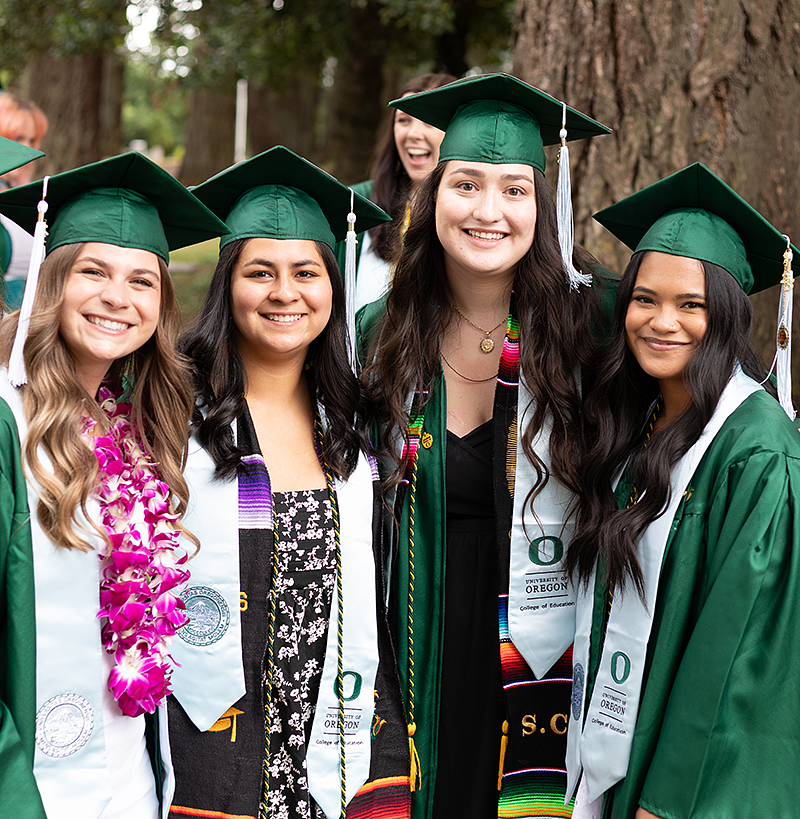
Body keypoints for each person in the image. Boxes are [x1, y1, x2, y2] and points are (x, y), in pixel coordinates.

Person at [357, 74, 613, 819]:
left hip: (548, 643)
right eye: (466, 184)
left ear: (543, 206)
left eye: (514, 190)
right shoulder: (383, 331)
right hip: (418, 639)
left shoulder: (593, 324)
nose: (488, 211)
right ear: (432, 197)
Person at [167, 145, 411, 819]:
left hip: (334, 731)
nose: (284, 292)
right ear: (227, 284)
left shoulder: (356, 421)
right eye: (260, 272)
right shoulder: (171, 411)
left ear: (333, 286)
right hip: (208, 736)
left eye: (306, 271)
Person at [565, 163, 800, 819]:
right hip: (624, 738)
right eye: (645, 298)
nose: (661, 321)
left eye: (690, 304)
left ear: (725, 315)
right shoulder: (641, 421)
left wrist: (666, 801)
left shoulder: (758, 449)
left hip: (692, 782)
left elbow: (743, 651)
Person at [0, 151, 229, 819]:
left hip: (129, 783)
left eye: (141, 281)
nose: (117, 298)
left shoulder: (136, 431)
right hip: (30, 790)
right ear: (50, 280)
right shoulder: (5, 421)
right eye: (92, 271)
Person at [335, 73, 455, 311]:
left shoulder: (472, 214)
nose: (413, 133)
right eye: (404, 120)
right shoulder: (356, 206)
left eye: (429, 120)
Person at [0, 92, 49, 310]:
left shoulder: (30, 196)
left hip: (29, 321)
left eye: (32, 140)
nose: (27, 148)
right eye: (19, 138)